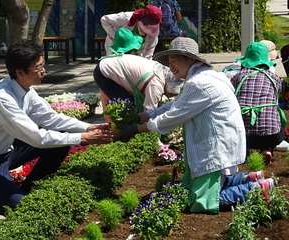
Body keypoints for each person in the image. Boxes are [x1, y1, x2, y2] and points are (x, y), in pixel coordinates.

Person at [115, 37, 274, 213]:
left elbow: (172, 116)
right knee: (197, 186)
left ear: (190, 59)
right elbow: (173, 105)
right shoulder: (203, 76)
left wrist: (137, 129)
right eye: (169, 62)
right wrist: (139, 116)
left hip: (215, 147)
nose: (171, 66)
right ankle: (248, 178)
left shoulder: (200, 83)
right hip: (218, 141)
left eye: (174, 61)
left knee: (201, 202)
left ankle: (256, 189)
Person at [0, 40, 116, 218]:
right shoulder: (1, 99)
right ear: (20, 72)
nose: (43, 71)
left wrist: (90, 126)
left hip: (7, 152)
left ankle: (25, 190)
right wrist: (83, 138)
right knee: (21, 210)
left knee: (61, 138)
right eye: (38, 67)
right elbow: (37, 138)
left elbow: (51, 119)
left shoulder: (25, 89)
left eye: (42, 65)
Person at [94, 28, 184, 122]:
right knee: (127, 107)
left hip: (109, 67)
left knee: (131, 107)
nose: (171, 97)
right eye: (172, 94)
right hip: (104, 72)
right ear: (169, 87)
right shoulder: (156, 85)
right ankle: (121, 131)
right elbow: (149, 112)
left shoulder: (160, 70)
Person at [230, 42, 285, 164]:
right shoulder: (274, 77)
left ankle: (243, 151)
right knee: (278, 122)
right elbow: (277, 96)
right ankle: (267, 149)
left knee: (239, 125)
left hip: (243, 135)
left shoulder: (238, 76)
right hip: (271, 135)